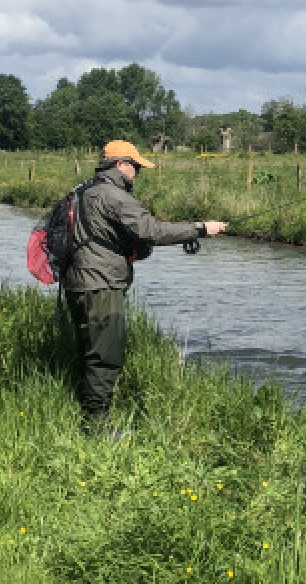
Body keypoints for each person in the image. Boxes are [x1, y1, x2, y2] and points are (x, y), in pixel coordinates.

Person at [63, 139, 227, 430]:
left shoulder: (84, 191)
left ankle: (86, 415)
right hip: (101, 285)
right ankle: (96, 427)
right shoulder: (114, 196)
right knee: (106, 357)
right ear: (120, 164)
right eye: (135, 167)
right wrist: (199, 228)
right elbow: (152, 231)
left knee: (89, 352)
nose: (137, 173)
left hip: (78, 283)